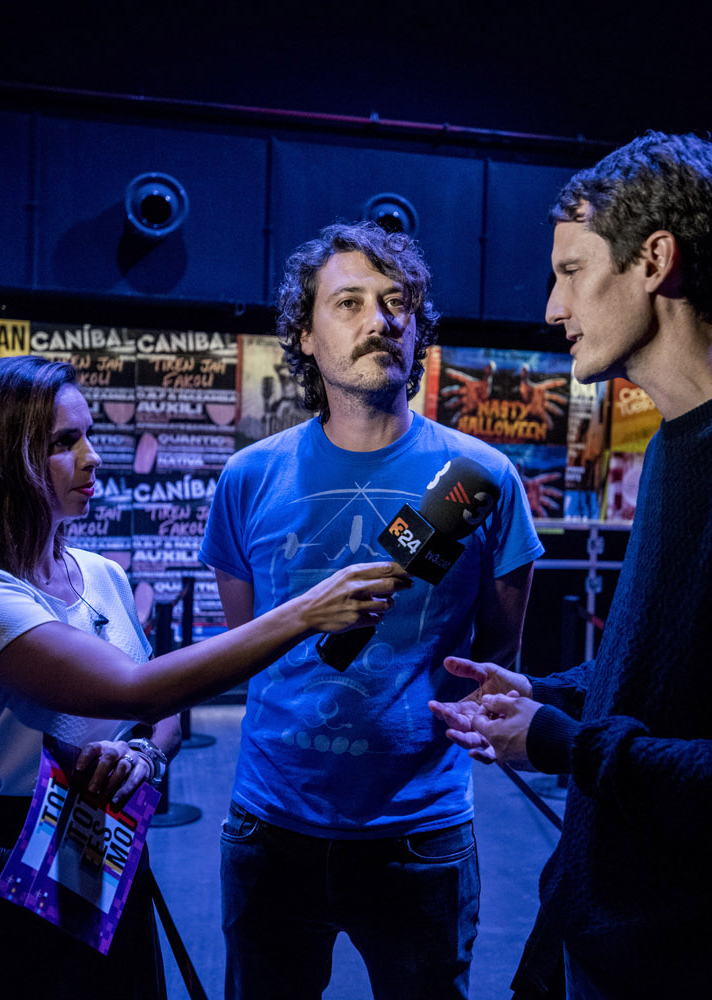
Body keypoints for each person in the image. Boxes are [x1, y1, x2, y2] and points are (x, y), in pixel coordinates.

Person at [430, 131, 712, 1000]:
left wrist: (565, 743)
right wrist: (550, 697)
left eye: (571, 272)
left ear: (654, 261)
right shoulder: (680, 441)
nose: (553, 308)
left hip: (691, 959)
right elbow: (683, 675)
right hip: (602, 920)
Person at [0, 355, 409, 1000]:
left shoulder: (100, 574)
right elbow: (136, 689)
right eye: (63, 442)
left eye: (88, 436)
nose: (92, 458)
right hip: (11, 852)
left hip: (105, 840)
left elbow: (159, 716)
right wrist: (304, 614)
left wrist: (141, 755)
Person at [199, 222, 543, 1000]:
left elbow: (494, 659)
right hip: (270, 825)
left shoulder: (480, 477)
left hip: (421, 833)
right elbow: (247, 647)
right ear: (305, 335)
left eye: (397, 302)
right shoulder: (247, 478)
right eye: (349, 302)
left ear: (417, 329)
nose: (379, 320)